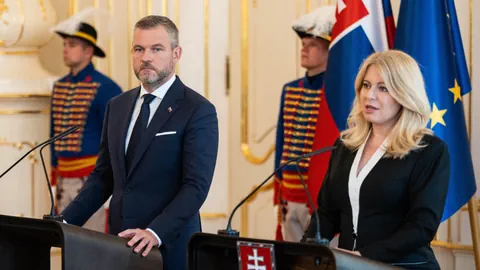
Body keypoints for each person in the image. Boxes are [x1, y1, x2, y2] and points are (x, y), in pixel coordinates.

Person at [61, 15, 219, 270]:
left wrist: (154, 232)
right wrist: (63, 224)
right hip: (120, 245)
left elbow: (195, 187)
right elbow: (104, 177)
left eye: (157, 49)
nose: (146, 57)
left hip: (169, 247)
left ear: (176, 54)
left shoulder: (197, 109)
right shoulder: (118, 106)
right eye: (139, 49)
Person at [303, 50, 450, 269]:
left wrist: (363, 256)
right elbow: (327, 212)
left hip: (402, 265)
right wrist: (306, 251)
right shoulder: (345, 145)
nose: (369, 95)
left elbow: (421, 227)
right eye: (366, 85)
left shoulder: (429, 151)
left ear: (404, 94)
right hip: (348, 265)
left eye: (383, 88)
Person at [50, 21, 122, 232]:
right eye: (64, 44)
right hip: (64, 179)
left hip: (90, 178)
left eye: (71, 44)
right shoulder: (60, 85)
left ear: (88, 51)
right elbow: (53, 134)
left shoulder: (106, 88)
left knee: (92, 241)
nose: (65, 49)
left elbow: (113, 137)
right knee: (66, 239)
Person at [274, 5, 336, 242]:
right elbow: (282, 141)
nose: (304, 49)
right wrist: (279, 190)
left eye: (313, 45)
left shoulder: (333, 92)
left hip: (318, 193)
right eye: (303, 44)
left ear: (328, 51)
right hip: (290, 189)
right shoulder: (290, 89)